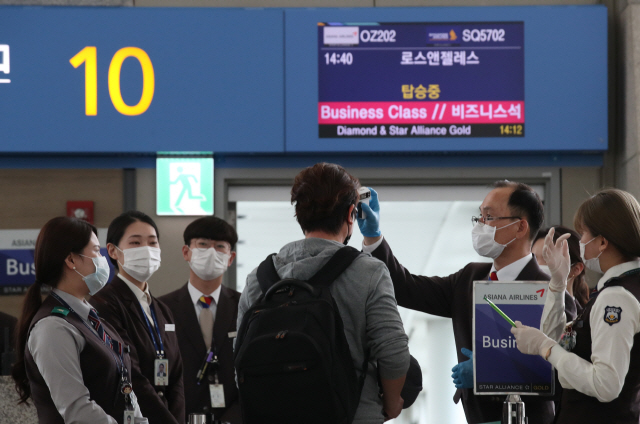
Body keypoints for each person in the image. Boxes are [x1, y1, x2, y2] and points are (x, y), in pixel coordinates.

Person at [357, 181, 577, 424]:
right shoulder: (469, 278)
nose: (481, 225)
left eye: (489, 217)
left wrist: (490, 373)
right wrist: (373, 237)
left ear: (520, 227)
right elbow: (406, 287)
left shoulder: (551, 294)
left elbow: (564, 378)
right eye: (479, 217)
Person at [237, 162, 410, 423]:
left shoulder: (259, 279)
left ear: (299, 214)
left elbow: (239, 360)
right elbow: (393, 351)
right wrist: (392, 401)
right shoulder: (368, 272)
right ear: (352, 214)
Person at [511, 189, 640, 423]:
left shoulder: (616, 298)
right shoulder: (619, 288)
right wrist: (558, 285)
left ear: (602, 241)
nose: (579, 242)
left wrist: (546, 346)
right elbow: (560, 340)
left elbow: (606, 384)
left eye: (583, 234)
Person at [12, 217, 147, 423]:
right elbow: (77, 410)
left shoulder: (90, 318)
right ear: (71, 260)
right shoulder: (52, 327)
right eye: (95, 251)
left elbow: (124, 386)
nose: (102, 259)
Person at [89, 211, 185, 424]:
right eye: (135, 242)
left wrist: (176, 419)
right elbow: (129, 373)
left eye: (153, 243)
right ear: (113, 251)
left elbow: (176, 375)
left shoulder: (161, 308)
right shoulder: (103, 304)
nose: (147, 250)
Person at [159, 216, 241, 423]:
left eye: (220, 246)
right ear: (186, 252)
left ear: (230, 258)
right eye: (203, 244)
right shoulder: (161, 308)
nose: (211, 252)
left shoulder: (245, 307)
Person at [533, 227, 589, 311]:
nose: (538, 266)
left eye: (548, 259)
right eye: (534, 259)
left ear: (577, 268)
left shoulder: (585, 318)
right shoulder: (527, 310)